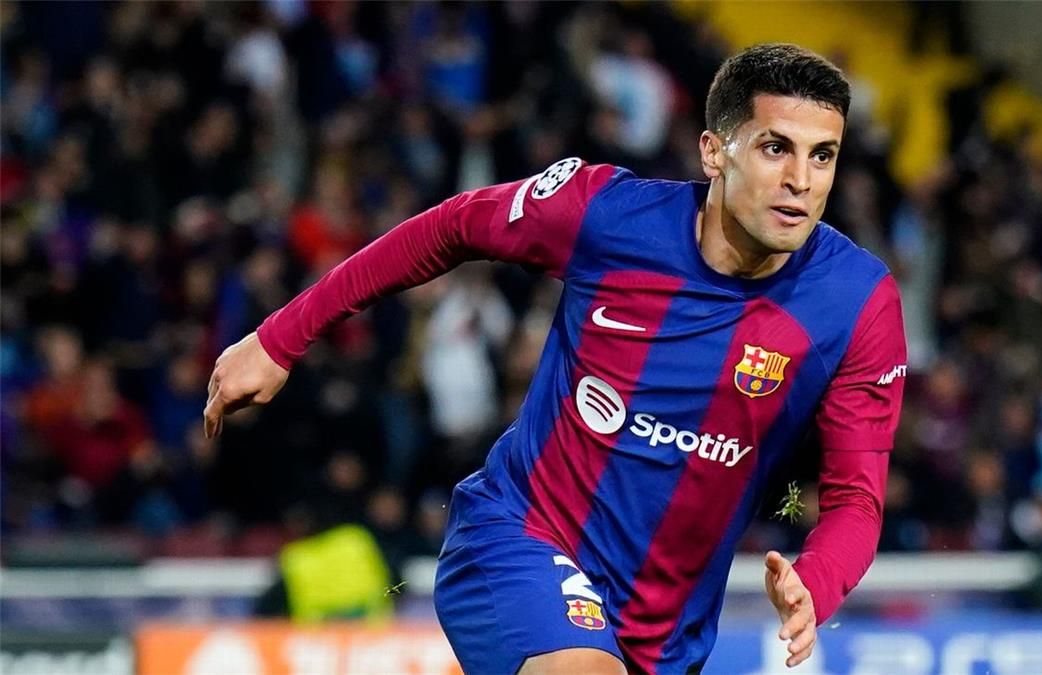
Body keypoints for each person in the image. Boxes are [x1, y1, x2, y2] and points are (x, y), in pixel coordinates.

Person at [204, 43, 906, 674]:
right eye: (776, 148)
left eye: (823, 155)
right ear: (714, 152)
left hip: (666, 634)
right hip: (518, 538)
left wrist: (816, 582)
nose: (801, 179)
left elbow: (856, 499)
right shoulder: (606, 215)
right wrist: (280, 337)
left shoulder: (857, 303)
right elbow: (454, 226)